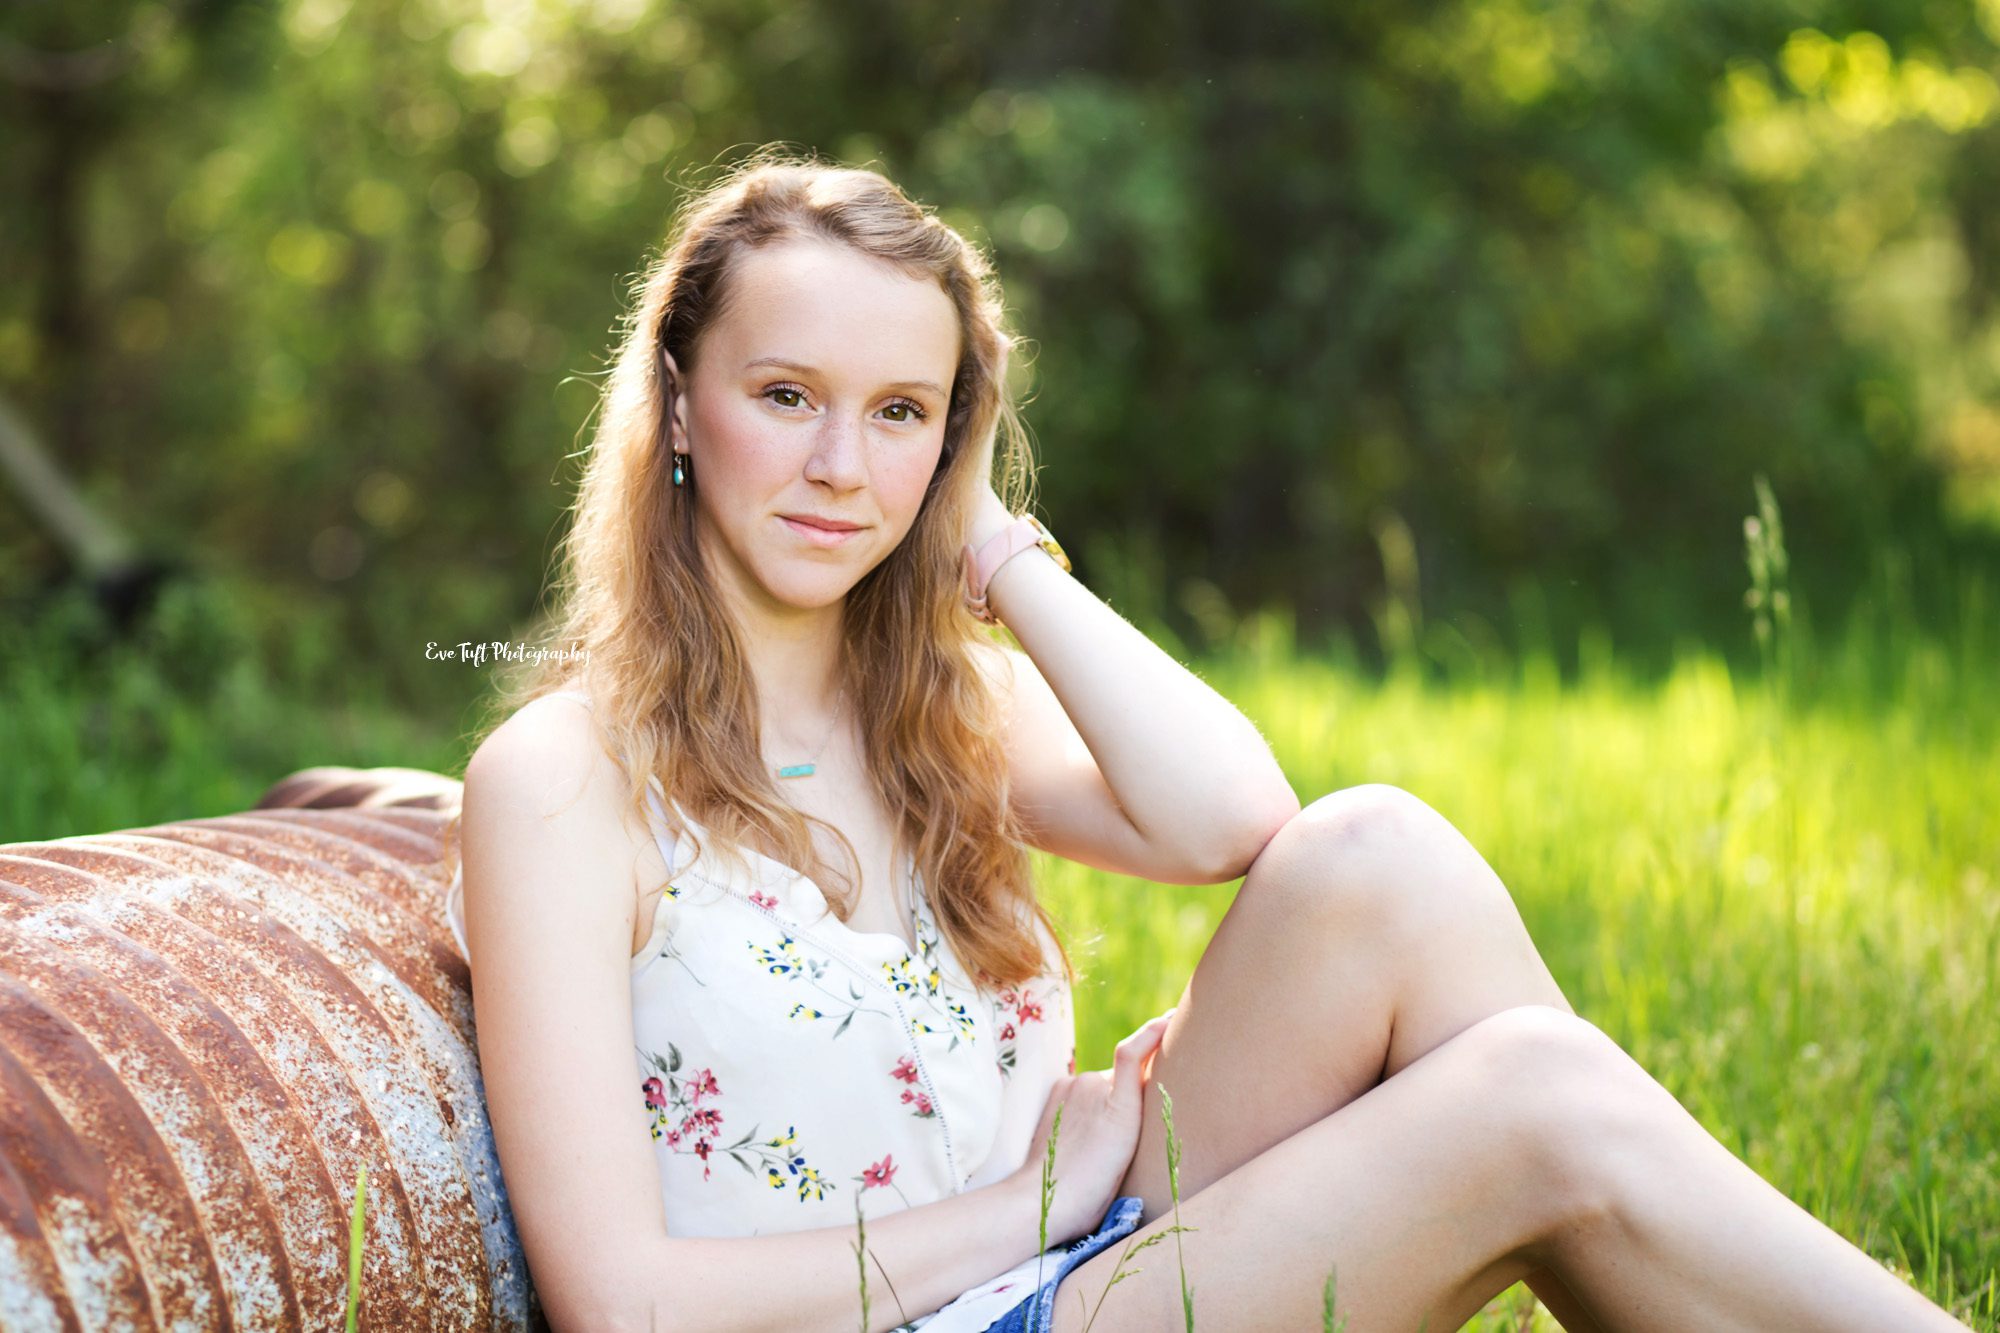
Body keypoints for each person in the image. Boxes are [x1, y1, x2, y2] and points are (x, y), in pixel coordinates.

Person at [447, 150, 1969, 1332]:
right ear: (683, 403)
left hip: (1071, 1264)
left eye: (903, 412)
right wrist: (1034, 1202)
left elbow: (1239, 818)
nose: (845, 466)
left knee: (1379, 856)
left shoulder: (936, 708)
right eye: (788, 396)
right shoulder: (566, 783)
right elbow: (623, 1303)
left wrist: (988, 543)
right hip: (958, 1296)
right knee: (1535, 1101)